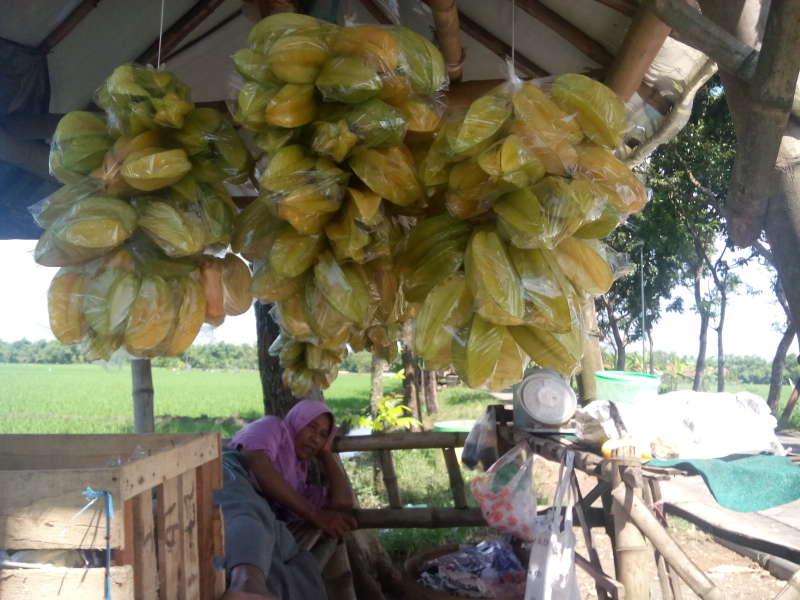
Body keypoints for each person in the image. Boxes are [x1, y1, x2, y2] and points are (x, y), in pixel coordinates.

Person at [217, 398, 357, 600]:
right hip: (228, 477)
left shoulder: (297, 481)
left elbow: (343, 502)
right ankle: (246, 585)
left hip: (259, 513)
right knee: (250, 512)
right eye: (311, 427)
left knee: (299, 564)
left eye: (323, 435)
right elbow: (254, 460)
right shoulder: (273, 427)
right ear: (297, 420)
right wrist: (314, 514)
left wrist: (326, 454)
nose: (315, 438)